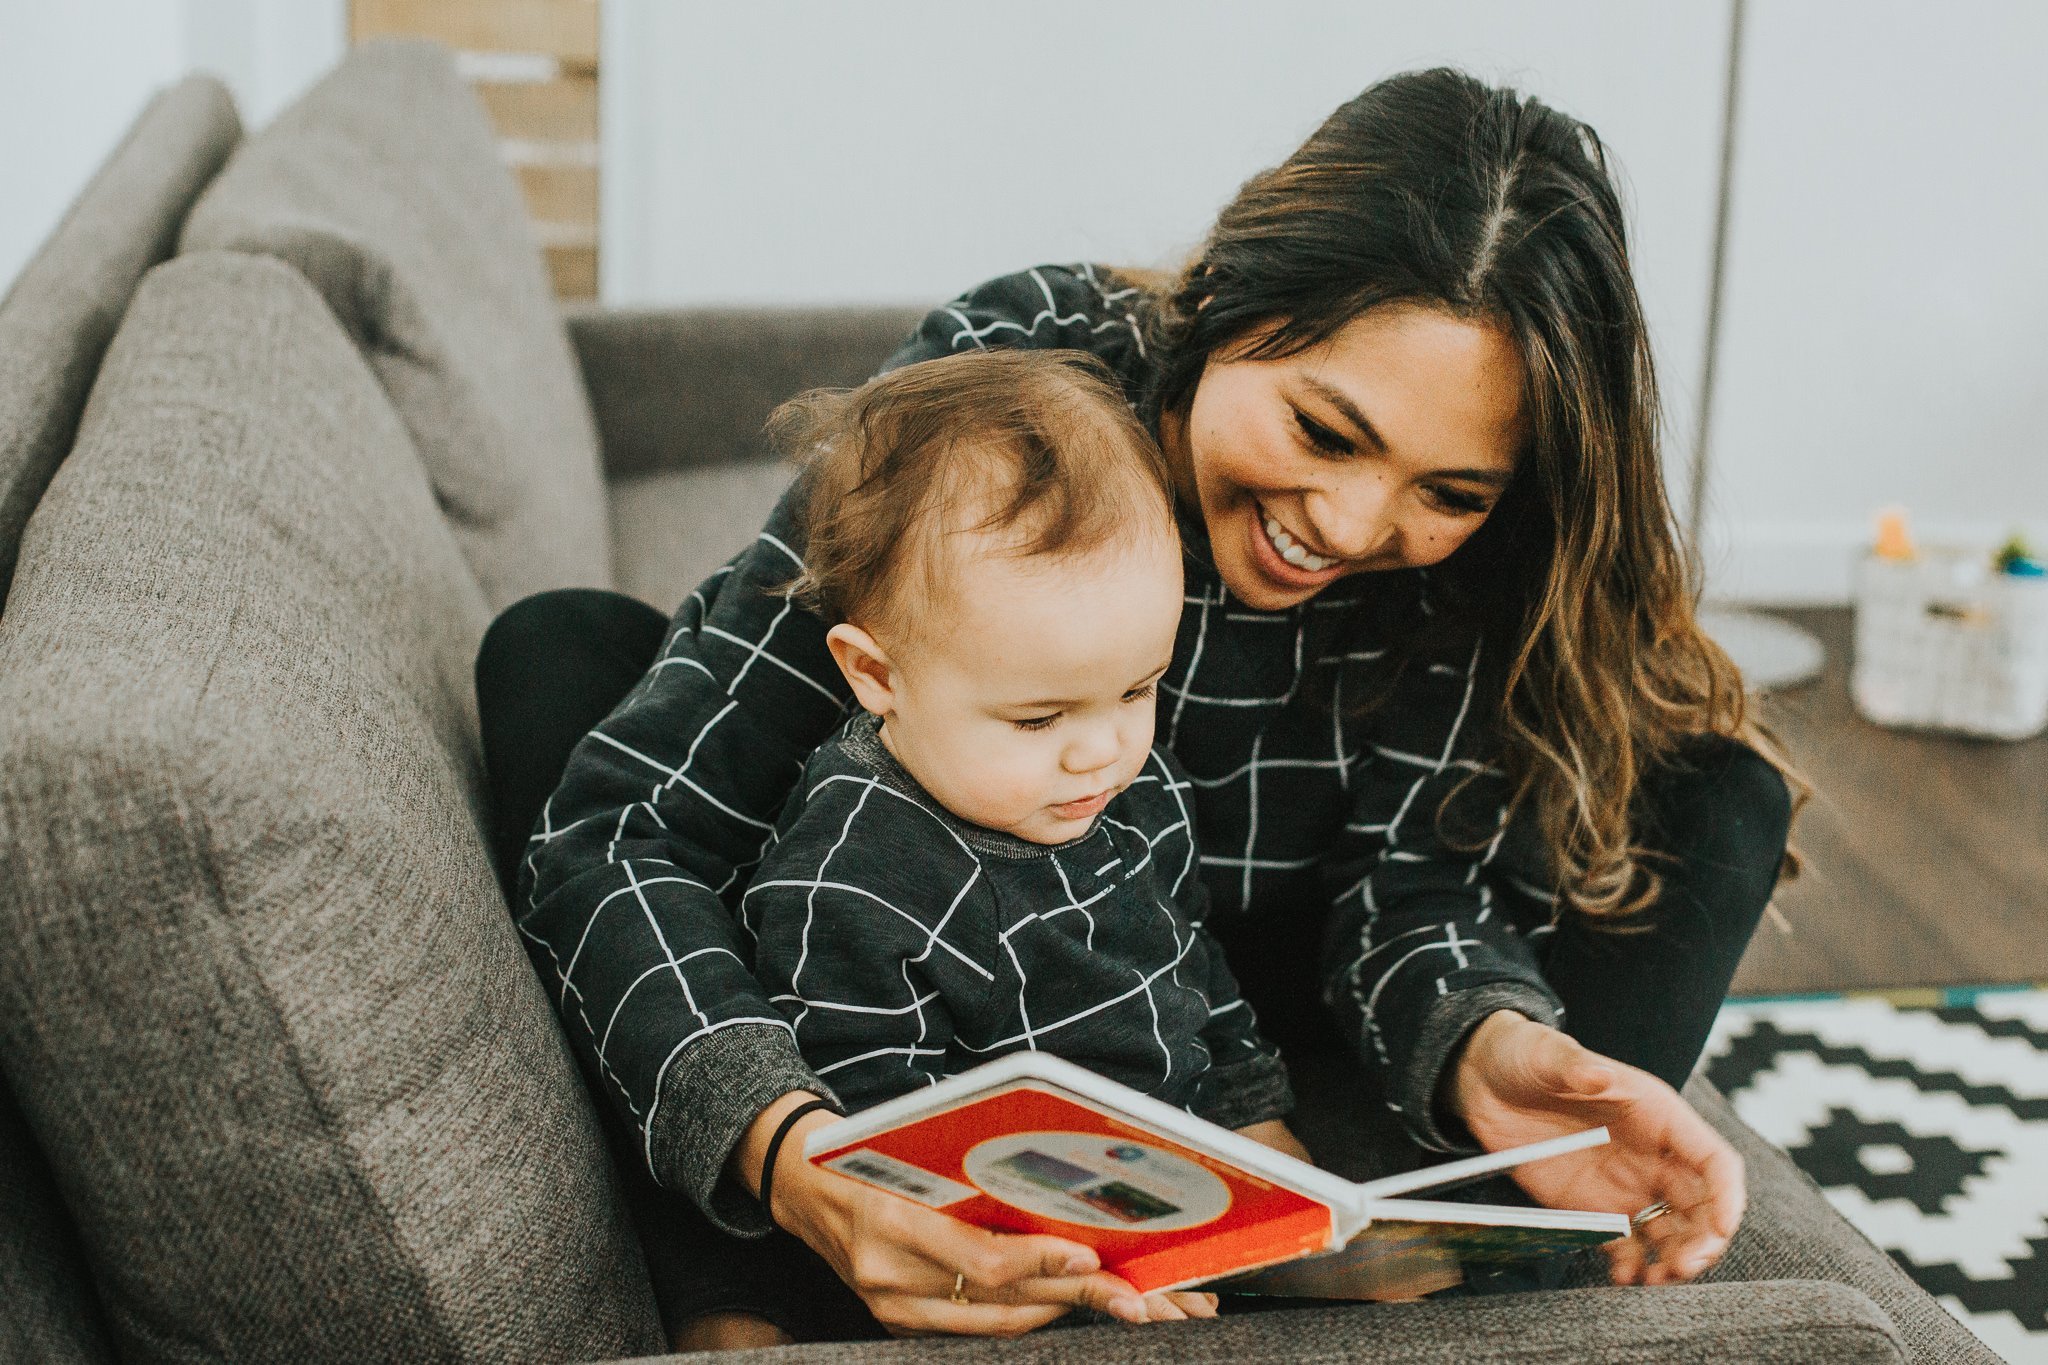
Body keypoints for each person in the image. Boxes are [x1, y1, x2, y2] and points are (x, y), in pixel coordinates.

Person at [480, 67, 1794, 1345]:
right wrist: (790, 1159)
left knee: (1718, 796)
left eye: (1447, 492)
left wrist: (1488, 1040)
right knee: (562, 655)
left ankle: (1460, 1269)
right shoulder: (1017, 404)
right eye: (1322, 431)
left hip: (1228, 996)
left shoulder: (1480, 553)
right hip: (938, 948)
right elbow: (630, 828)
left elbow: (1411, 886)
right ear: (1224, 300)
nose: (1351, 526)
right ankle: (748, 1283)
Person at [721, 343, 1311, 1339]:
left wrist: (1257, 1119)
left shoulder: (1125, 782)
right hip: (1000, 1251)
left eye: (1137, 689)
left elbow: (1190, 961)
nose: (1102, 751)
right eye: (1037, 718)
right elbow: (881, 1137)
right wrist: (1048, 1257)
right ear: (877, 675)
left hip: (1172, 1179)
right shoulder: (852, 875)